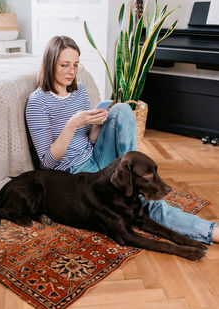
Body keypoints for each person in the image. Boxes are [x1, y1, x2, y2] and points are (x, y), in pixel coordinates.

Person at [26, 35, 219, 245]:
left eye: (75, 65)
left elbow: (90, 138)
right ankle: (209, 231)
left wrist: (98, 123)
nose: (72, 72)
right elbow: (47, 163)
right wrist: (72, 125)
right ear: (50, 63)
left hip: (95, 157)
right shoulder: (38, 103)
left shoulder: (79, 90)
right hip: (74, 174)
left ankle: (136, 175)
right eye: (65, 65)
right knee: (145, 202)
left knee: (121, 109)